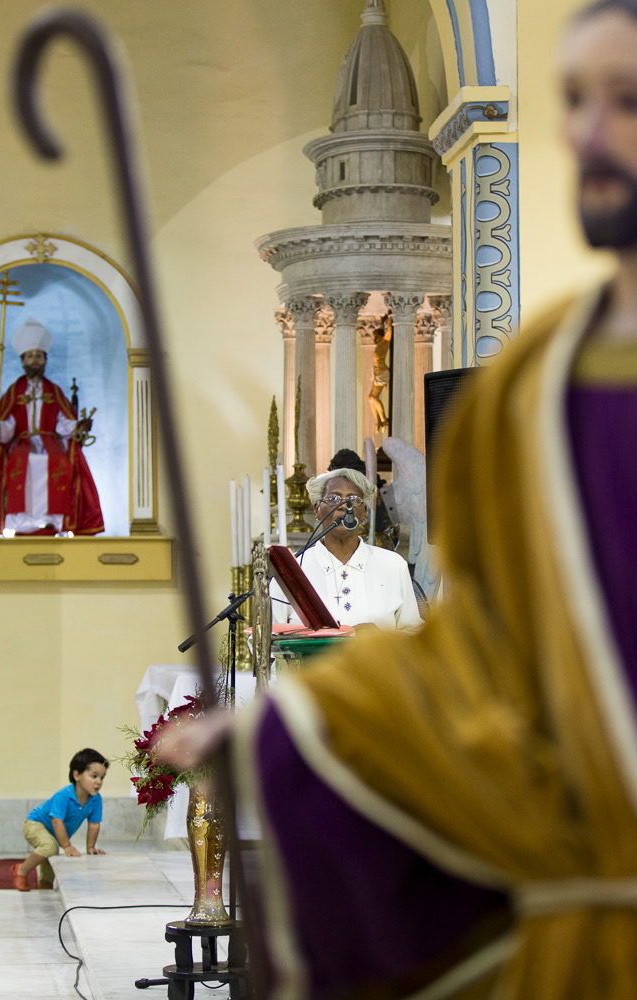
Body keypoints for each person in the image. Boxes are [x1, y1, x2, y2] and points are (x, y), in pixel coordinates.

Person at [162, 3, 637, 997]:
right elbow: (483, 653)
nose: (590, 131)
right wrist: (290, 730)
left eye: (625, 101)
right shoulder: (525, 391)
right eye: (574, 100)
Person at [0, 318, 104, 536]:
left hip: (50, 443)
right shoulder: (15, 391)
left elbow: (62, 423)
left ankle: (51, 521)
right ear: (23, 361)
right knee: (19, 463)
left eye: (39, 356)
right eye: (30, 356)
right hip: (21, 443)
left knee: (58, 462)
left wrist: (78, 426)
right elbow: (9, 424)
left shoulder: (53, 390)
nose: (35, 361)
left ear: (45, 360)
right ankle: (20, 523)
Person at [270, 468, 422, 631]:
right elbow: (265, 641)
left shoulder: (393, 565)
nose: (344, 506)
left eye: (353, 499)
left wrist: (379, 640)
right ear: (317, 510)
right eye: (333, 498)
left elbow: (415, 635)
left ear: (363, 513)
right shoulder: (290, 572)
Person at [11, 748, 108, 891]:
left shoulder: (95, 799)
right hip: (35, 823)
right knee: (50, 847)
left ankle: (45, 886)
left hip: (55, 832)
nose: (98, 782)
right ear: (77, 775)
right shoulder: (64, 795)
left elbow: (94, 824)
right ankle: (21, 871)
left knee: (51, 854)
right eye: (94, 776)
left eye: (102, 777)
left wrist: (90, 847)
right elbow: (56, 821)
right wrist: (67, 846)